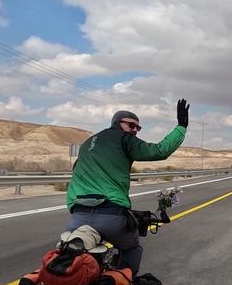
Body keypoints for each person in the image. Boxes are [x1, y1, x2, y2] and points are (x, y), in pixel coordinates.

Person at [64, 100, 189, 274]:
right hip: (111, 216)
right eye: (131, 125)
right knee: (131, 249)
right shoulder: (124, 139)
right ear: (117, 123)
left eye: (138, 128)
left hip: (77, 218)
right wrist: (181, 127)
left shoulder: (87, 143)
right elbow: (160, 150)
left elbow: (77, 169)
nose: (135, 130)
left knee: (70, 258)